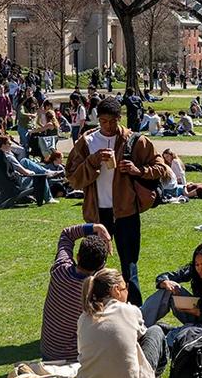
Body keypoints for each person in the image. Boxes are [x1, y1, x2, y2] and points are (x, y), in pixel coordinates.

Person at [66, 98, 166, 306]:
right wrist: (92, 161)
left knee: (129, 265)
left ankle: (135, 312)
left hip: (126, 212)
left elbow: (161, 167)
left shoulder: (135, 141)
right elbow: (73, 178)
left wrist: (139, 170)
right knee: (93, 265)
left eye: (112, 121)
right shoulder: (87, 142)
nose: (108, 126)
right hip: (97, 214)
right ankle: (90, 309)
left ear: (119, 118)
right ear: (97, 120)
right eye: (103, 121)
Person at [75, 268, 167, 378]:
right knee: (156, 331)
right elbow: (142, 336)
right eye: (125, 288)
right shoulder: (129, 310)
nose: (127, 292)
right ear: (116, 290)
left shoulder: (84, 318)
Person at [40, 223, 112, 362]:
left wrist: (96, 227)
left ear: (78, 257)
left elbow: (67, 234)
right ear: (102, 266)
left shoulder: (60, 269)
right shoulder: (96, 293)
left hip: (47, 351)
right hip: (72, 359)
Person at [0, 135, 53, 205]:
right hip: (18, 182)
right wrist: (32, 172)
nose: (11, 145)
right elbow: (24, 172)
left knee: (24, 161)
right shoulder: (8, 157)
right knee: (41, 176)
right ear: (3, 145)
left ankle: (46, 171)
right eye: (9, 144)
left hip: (5, 181)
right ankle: (48, 198)